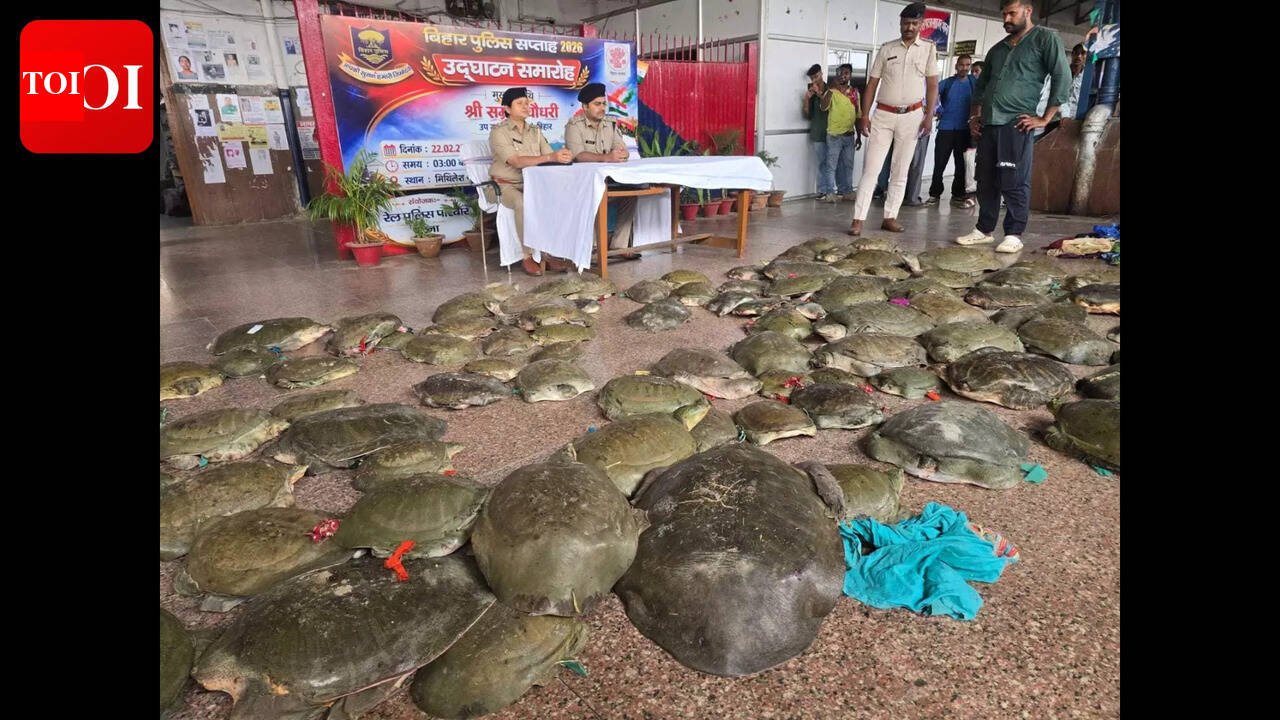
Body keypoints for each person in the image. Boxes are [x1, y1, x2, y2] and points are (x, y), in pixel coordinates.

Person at [955, 0, 1071, 253]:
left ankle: (1014, 233)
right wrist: (975, 117)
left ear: (1028, 11)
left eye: (1012, 13)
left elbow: (1062, 76)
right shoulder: (998, 49)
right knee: (985, 179)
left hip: (1016, 123)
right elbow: (982, 86)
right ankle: (984, 230)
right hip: (989, 123)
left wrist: (1045, 118)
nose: (1006, 19)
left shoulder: (1045, 40)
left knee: (1014, 180)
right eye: (1004, 14)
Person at [847, 2, 938, 236]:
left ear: (921, 25)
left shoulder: (929, 49)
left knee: (900, 170)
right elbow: (871, 84)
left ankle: (890, 217)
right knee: (871, 169)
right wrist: (864, 115)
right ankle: (858, 219)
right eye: (906, 23)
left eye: (914, 23)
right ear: (900, 24)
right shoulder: (887, 49)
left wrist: (929, 116)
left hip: (912, 117)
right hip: (883, 116)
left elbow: (932, 85)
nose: (909, 27)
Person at [488, 87, 574, 276]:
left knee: (555, 200)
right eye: (520, 103)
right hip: (503, 185)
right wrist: (551, 157)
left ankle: (547, 254)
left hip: (533, 184)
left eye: (527, 103)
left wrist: (562, 157)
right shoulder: (498, 132)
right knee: (522, 203)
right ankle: (527, 256)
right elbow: (516, 162)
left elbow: (549, 155)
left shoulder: (535, 131)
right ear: (507, 109)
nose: (525, 106)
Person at [564, 82, 640, 261]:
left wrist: (622, 153)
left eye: (604, 103)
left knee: (632, 193)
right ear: (585, 107)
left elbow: (621, 148)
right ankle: (592, 247)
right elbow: (578, 155)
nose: (602, 108)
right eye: (597, 104)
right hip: (584, 183)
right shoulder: (574, 126)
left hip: (609, 179)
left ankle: (620, 245)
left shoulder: (610, 124)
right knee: (596, 194)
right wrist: (607, 157)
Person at [926, 54, 976, 207]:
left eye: (967, 65)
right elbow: (931, 92)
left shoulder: (974, 83)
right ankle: (934, 194)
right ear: (956, 66)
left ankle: (958, 194)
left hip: (964, 130)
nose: (964, 68)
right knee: (939, 164)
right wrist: (936, 109)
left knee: (961, 164)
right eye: (962, 65)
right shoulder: (947, 83)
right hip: (946, 128)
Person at [819, 64, 861, 202]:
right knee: (831, 165)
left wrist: (859, 136)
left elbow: (858, 115)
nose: (843, 75)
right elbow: (823, 107)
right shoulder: (831, 91)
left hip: (849, 135)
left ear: (850, 75)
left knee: (848, 165)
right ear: (837, 74)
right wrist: (831, 89)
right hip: (834, 135)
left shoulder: (854, 93)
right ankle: (830, 192)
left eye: (846, 73)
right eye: (841, 73)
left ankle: (847, 191)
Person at [801, 64, 833, 200]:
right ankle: (822, 191)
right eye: (812, 78)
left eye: (816, 76)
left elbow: (828, 105)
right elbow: (807, 115)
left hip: (832, 133)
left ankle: (832, 190)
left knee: (832, 163)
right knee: (822, 162)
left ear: (821, 74)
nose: (814, 80)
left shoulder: (830, 89)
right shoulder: (811, 91)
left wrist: (819, 93)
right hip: (818, 133)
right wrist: (807, 99)